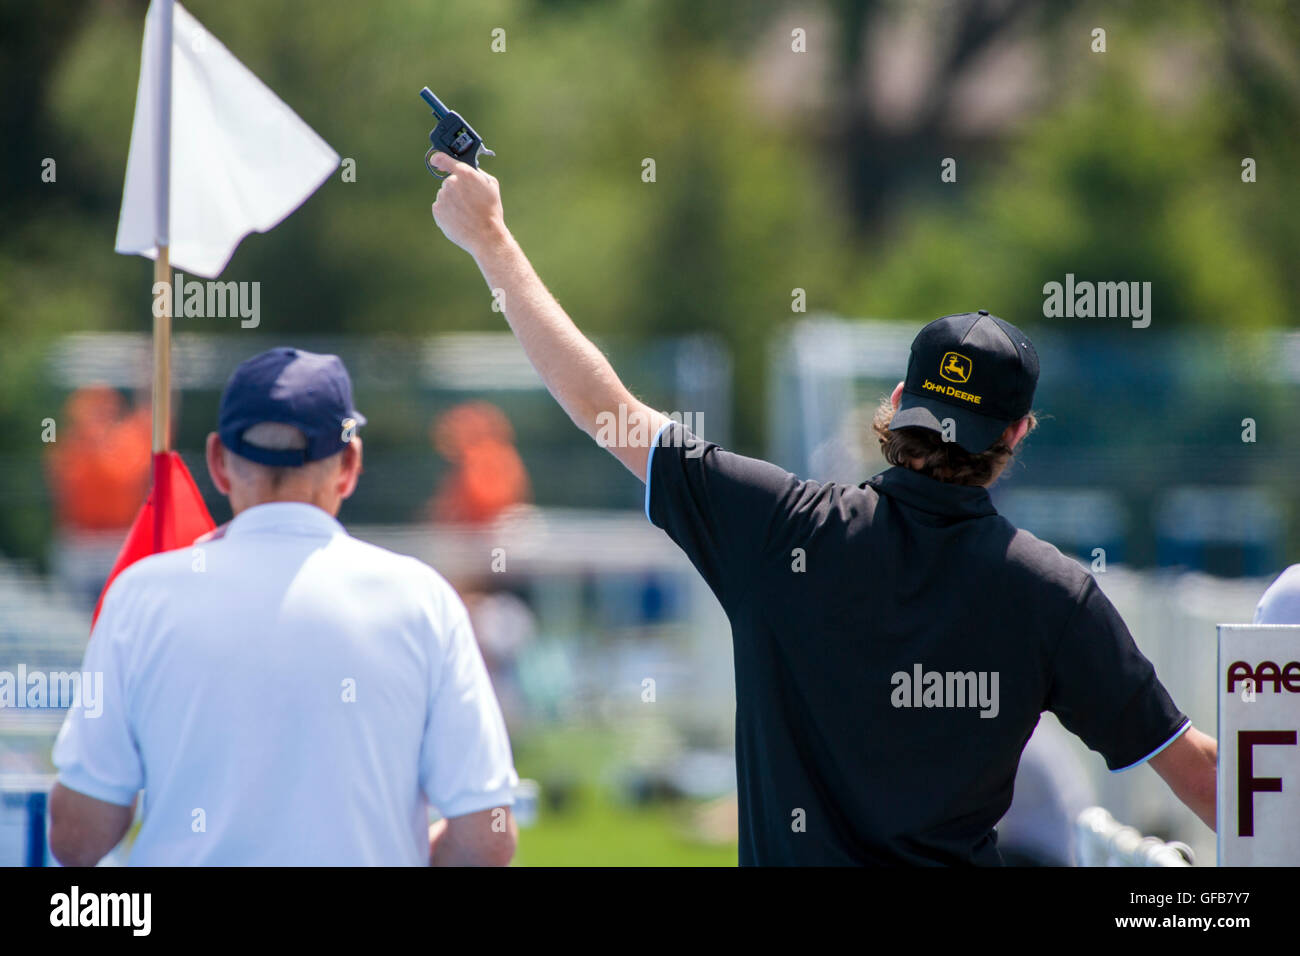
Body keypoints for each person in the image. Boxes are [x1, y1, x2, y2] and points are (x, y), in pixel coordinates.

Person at [426, 152, 1217, 865]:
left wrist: (492, 241)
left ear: (899, 403)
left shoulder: (781, 528)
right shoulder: (1054, 594)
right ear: (1015, 434)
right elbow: (1197, 773)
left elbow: (605, 408)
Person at [49, 347, 518, 866]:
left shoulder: (141, 596)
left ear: (218, 462)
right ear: (350, 464)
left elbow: (78, 837)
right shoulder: (423, 599)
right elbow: (486, 838)